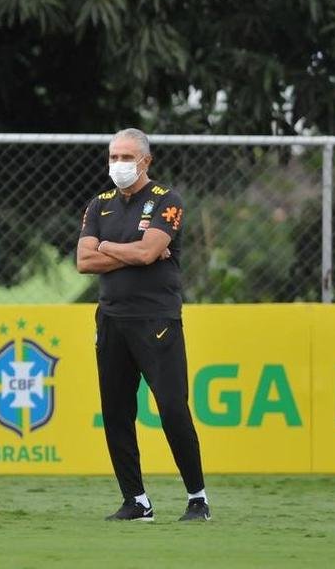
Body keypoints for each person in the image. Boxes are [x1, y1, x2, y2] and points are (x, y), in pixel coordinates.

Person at [76, 128, 209, 523]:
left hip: (156, 319)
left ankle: (197, 498)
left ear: (146, 161)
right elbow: (84, 261)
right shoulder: (98, 205)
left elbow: (150, 251)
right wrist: (129, 252)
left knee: (171, 408)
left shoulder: (167, 200)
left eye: (126, 157)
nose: (118, 165)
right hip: (111, 318)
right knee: (116, 412)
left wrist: (108, 247)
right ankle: (136, 500)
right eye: (113, 157)